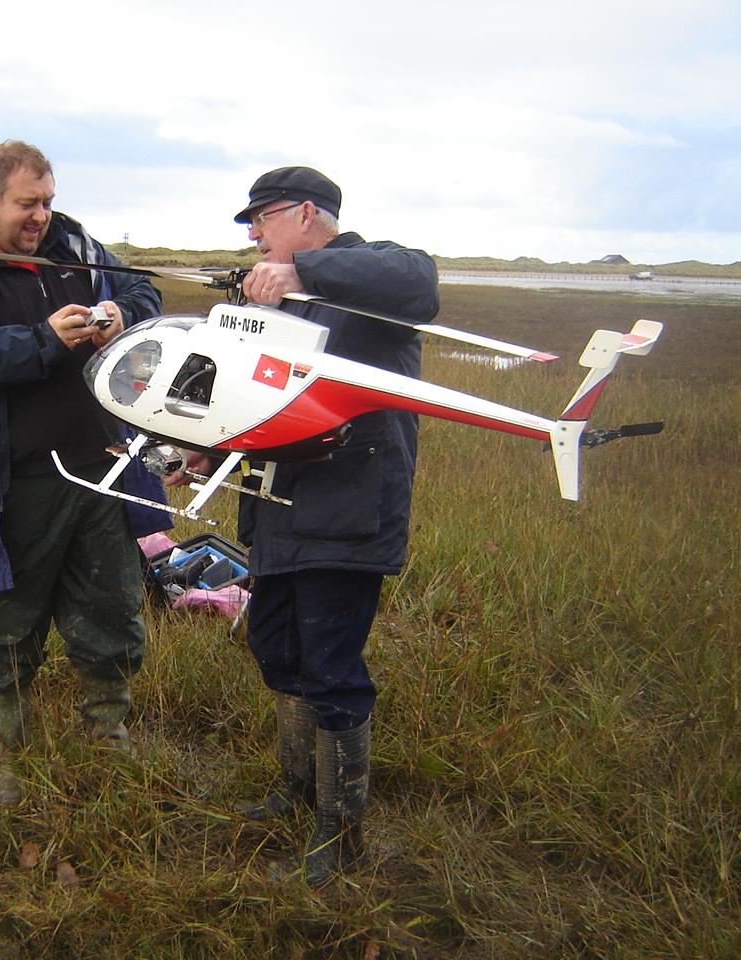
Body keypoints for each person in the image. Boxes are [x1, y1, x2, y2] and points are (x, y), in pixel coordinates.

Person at [170, 166, 439, 884]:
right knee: (277, 650)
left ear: (308, 214)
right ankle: (296, 794)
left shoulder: (369, 279)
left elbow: (420, 280)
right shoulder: (296, 300)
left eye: (262, 220)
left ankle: (339, 839)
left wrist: (300, 269)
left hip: (348, 515)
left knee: (330, 669)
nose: (254, 236)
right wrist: (208, 452)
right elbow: (269, 404)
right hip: (283, 514)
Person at [0, 140, 171, 805]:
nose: (42, 216)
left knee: (111, 614)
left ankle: (109, 745)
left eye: (48, 200)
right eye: (28, 203)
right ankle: (6, 764)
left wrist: (121, 316)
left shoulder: (76, 246)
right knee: (7, 626)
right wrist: (47, 340)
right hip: (11, 485)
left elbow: (142, 288)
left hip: (103, 471)